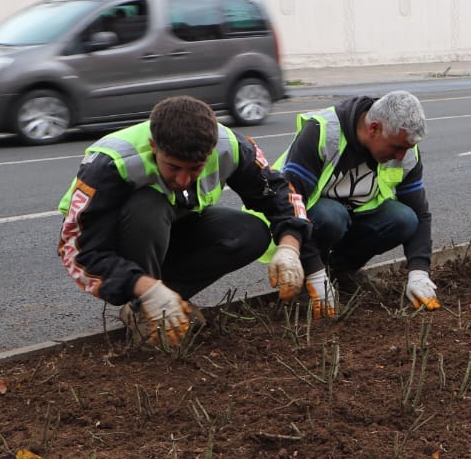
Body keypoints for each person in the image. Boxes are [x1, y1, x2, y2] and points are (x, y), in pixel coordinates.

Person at [57, 95, 317, 347]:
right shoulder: (112, 162)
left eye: (195, 168)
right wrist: (144, 287)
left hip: (175, 226)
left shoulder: (231, 146)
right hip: (121, 238)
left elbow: (278, 194)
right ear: (153, 146)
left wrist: (290, 248)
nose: (183, 180)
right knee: (147, 208)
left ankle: (169, 302)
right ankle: (145, 310)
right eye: (173, 167)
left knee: (251, 233)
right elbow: (78, 249)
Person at [276, 90, 437, 309]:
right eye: (397, 147)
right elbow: (291, 204)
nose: (401, 156)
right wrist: (315, 272)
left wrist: (419, 271)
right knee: (332, 216)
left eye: (406, 149)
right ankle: (306, 281)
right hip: (295, 220)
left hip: (353, 215)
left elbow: (420, 212)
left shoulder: (406, 153)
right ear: (374, 128)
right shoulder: (322, 132)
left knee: (404, 219)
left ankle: (342, 271)